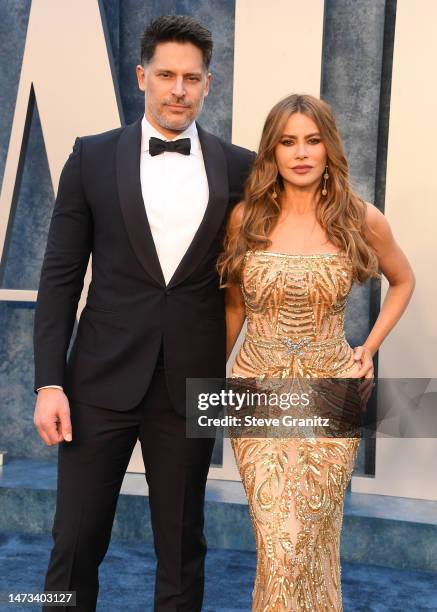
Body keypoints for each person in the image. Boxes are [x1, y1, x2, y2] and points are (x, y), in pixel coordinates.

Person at [33, 15, 254, 611]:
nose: (178, 89)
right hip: (97, 382)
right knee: (74, 541)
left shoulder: (241, 167)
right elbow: (59, 279)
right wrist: (50, 381)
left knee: (183, 547)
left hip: (192, 386)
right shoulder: (92, 156)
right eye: (165, 75)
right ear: (142, 77)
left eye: (191, 77)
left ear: (208, 84)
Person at [218, 93, 415, 611]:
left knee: (309, 541)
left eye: (312, 139)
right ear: (272, 152)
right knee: (278, 545)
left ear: (329, 147)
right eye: (288, 141)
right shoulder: (246, 218)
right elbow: (234, 307)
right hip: (255, 394)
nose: (301, 152)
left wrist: (368, 348)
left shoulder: (360, 218)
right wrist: (210, 378)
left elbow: (403, 280)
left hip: (331, 394)